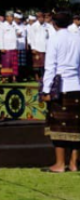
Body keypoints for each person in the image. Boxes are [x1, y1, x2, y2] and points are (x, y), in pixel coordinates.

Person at [43, 11, 80, 173]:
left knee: (58, 126)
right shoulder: (77, 38)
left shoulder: (55, 39)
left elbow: (50, 67)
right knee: (76, 127)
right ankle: (73, 163)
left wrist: (45, 89)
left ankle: (59, 164)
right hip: (76, 86)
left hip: (60, 87)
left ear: (54, 24)